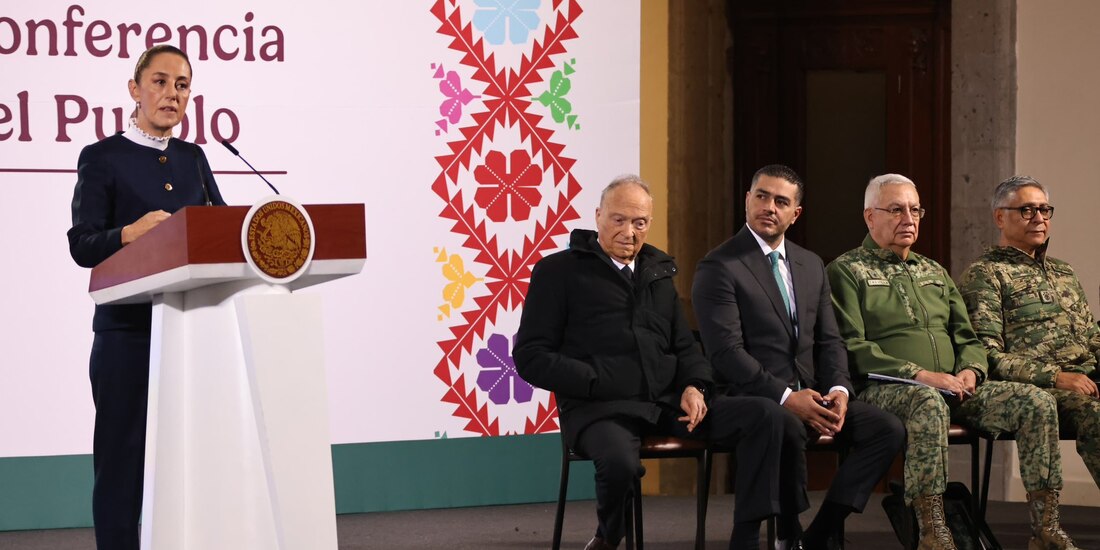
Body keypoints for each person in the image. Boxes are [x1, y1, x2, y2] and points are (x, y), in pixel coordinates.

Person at [514, 175, 790, 550]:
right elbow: (531, 356)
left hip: (665, 404)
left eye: (640, 223)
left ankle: (746, 537)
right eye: (619, 220)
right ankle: (609, 536)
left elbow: (686, 346)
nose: (630, 232)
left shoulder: (658, 272)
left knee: (767, 416)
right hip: (600, 408)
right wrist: (595, 380)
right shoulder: (557, 272)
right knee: (620, 466)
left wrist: (696, 386)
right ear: (598, 216)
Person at [826, 174, 1077, 550]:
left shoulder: (934, 271)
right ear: (869, 217)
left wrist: (971, 370)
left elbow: (968, 336)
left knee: (1035, 402)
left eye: (915, 210)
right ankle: (933, 531)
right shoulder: (847, 271)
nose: (908, 219)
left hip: (954, 386)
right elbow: (851, 345)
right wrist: (921, 375)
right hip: (887, 388)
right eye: (895, 210)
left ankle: (1046, 528)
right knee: (927, 403)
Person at [692, 164, 904, 549]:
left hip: (812, 394)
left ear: (795, 213)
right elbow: (726, 354)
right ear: (747, 200)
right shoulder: (719, 266)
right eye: (761, 196)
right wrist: (788, 397)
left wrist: (839, 389)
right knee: (781, 421)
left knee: (885, 429)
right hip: (749, 397)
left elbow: (830, 341)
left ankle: (817, 534)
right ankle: (779, 534)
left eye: (780, 201)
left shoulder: (811, 265)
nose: (769, 206)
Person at [67, 45, 226, 549]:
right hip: (126, 336)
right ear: (134, 90)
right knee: (121, 461)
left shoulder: (193, 157)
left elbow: (220, 229)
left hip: (190, 331)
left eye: (181, 86)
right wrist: (128, 234)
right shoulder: (101, 157)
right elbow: (81, 244)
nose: (171, 94)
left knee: (189, 459)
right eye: (159, 82)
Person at [961, 175, 1100, 489]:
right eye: (1026, 210)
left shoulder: (1064, 272)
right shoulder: (985, 274)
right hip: (1040, 390)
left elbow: (1090, 336)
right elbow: (988, 355)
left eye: (1044, 210)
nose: (1038, 218)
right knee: (1095, 416)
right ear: (1000, 217)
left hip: (1085, 379)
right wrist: (1056, 377)